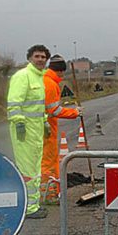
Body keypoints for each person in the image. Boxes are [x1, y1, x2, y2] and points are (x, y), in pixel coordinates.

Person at [7, 44, 49, 219]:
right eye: (37, 56)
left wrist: (45, 122)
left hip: (36, 131)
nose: (40, 59)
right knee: (27, 170)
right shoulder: (22, 76)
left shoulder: (39, 78)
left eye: (43, 57)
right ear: (30, 58)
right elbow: (14, 102)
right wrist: (18, 123)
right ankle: (29, 208)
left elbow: (38, 106)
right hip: (24, 131)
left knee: (35, 168)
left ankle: (34, 203)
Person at [41, 54, 81, 204]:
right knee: (48, 162)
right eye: (62, 72)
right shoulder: (50, 84)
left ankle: (53, 191)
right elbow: (54, 110)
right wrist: (74, 113)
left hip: (44, 127)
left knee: (48, 160)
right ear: (60, 71)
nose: (63, 75)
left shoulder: (45, 80)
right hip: (46, 129)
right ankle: (48, 194)